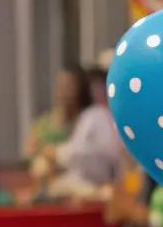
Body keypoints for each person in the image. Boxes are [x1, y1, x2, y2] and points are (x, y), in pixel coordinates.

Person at [50, 65, 124, 195]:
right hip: (87, 184)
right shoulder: (89, 115)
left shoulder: (96, 115)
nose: (63, 93)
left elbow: (109, 152)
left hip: (95, 185)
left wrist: (57, 153)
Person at [26, 65, 88, 164]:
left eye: (68, 86)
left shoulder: (86, 124)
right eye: (60, 86)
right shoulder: (42, 125)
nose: (62, 92)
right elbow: (29, 153)